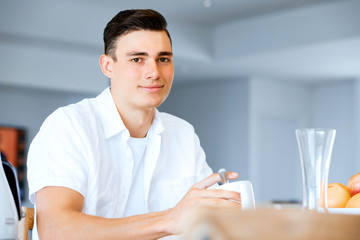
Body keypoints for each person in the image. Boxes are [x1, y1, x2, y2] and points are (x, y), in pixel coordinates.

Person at [27, 9, 241, 240]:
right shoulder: (69, 125)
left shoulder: (183, 134)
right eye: (137, 59)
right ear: (108, 66)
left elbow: (205, 224)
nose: (154, 72)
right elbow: (56, 230)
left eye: (163, 59)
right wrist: (170, 219)